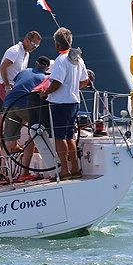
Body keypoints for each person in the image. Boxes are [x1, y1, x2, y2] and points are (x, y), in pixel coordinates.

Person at [40, 28, 90, 179]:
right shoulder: (78, 59)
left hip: (60, 103)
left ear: (57, 44)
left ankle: (65, 171)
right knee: (70, 136)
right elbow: (85, 81)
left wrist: (45, 93)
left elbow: (57, 84)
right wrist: (73, 87)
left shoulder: (60, 61)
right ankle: (75, 168)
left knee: (60, 137)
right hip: (74, 102)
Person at [2, 56, 51, 180]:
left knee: (9, 139)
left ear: (36, 63)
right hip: (24, 105)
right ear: (47, 68)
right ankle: (24, 173)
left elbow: (17, 83)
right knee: (33, 134)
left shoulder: (24, 71)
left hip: (9, 104)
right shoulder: (43, 78)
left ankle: (3, 172)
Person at [0, 31, 42, 100]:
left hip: (16, 87)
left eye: (37, 46)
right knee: (13, 109)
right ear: (26, 40)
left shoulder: (27, 54)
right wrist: (7, 87)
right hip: (5, 87)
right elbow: (3, 67)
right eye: (34, 44)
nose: (35, 47)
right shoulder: (15, 50)